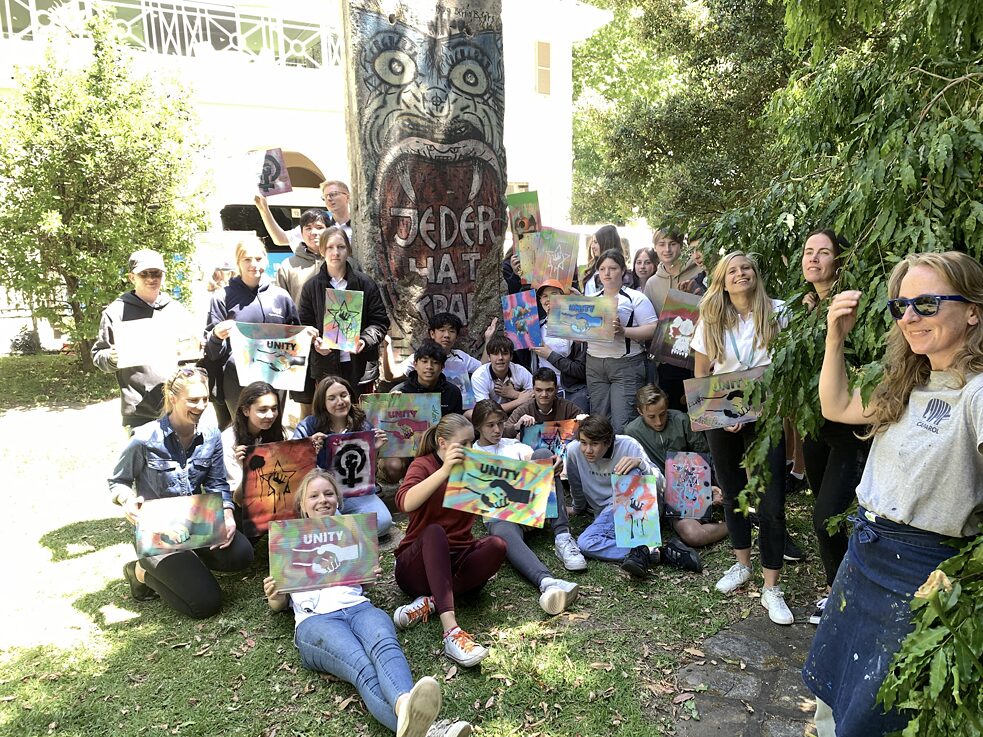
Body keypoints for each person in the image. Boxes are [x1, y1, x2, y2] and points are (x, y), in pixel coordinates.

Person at [803, 251, 983, 736]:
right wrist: (834, 339)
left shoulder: (977, 394)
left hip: (922, 579)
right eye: (900, 306)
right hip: (864, 557)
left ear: (972, 309)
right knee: (836, 694)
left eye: (925, 303)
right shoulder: (911, 380)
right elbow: (837, 405)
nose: (909, 317)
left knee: (877, 714)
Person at [263, 469, 471, 737]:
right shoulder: (289, 540)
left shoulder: (352, 532)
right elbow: (278, 606)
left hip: (359, 608)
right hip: (316, 621)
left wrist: (367, 575)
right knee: (362, 665)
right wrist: (275, 595)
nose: (323, 500)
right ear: (302, 504)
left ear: (338, 499)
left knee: (384, 644)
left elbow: (360, 582)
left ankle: (404, 704)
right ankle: (430, 731)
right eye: (314, 496)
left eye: (328, 493)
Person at [690, 251, 793, 624]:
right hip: (725, 415)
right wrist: (721, 414)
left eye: (746, 267)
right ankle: (741, 564)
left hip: (766, 415)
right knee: (732, 491)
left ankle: (771, 587)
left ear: (756, 274)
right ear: (722, 279)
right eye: (732, 270)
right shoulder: (712, 317)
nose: (740, 273)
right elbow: (702, 373)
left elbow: (788, 367)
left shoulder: (780, 312)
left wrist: (766, 407)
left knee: (771, 499)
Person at [111, 367, 254, 618]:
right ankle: (141, 572)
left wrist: (228, 515)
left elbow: (217, 483)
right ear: (173, 398)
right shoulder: (144, 438)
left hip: (197, 523)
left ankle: (188, 568)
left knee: (242, 554)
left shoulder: (210, 435)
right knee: (205, 605)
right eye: (192, 400)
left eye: (205, 399)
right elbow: (118, 481)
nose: (200, 406)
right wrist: (127, 501)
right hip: (158, 531)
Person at [392, 414, 507, 668]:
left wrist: (543, 478)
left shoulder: (473, 469)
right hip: (417, 565)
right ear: (442, 443)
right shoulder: (423, 465)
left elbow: (510, 495)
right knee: (434, 532)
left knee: (497, 545)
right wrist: (445, 471)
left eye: (471, 444)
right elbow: (405, 502)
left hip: (457, 561)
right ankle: (451, 632)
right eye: (462, 444)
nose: (469, 450)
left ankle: (432, 602)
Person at [797, 229, 871, 625]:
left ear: (839, 260)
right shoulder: (803, 308)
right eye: (809, 252)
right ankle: (838, 587)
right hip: (815, 427)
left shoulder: (854, 306)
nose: (814, 259)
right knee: (825, 512)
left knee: (827, 514)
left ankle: (842, 595)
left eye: (823, 252)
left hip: (851, 430)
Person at [471, 400, 585, 614]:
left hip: (532, 506)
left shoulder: (511, 445)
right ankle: (548, 583)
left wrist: (552, 461)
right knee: (500, 532)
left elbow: (531, 456)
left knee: (542, 455)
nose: (497, 430)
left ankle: (562, 535)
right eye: (490, 425)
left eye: (500, 423)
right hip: (502, 518)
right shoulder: (473, 455)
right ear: (478, 427)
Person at [567, 415, 702, 578]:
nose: (588, 450)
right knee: (586, 543)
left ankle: (642, 547)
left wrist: (641, 464)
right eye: (584, 443)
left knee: (631, 469)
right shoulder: (574, 451)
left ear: (608, 441)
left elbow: (661, 484)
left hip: (640, 508)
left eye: (594, 444)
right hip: (607, 512)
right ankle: (654, 552)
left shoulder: (628, 444)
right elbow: (576, 483)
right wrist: (577, 507)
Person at [92, 249, 197, 433]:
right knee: (144, 461)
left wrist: (194, 350)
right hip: (139, 410)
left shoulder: (176, 310)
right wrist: (111, 358)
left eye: (156, 273)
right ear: (132, 277)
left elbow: (190, 352)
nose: (151, 279)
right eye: (144, 274)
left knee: (180, 461)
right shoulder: (115, 313)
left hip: (176, 405)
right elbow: (99, 355)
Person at [203, 236, 303, 426]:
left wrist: (308, 337)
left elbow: (296, 346)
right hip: (237, 383)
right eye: (247, 259)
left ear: (266, 259)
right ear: (238, 263)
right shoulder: (222, 298)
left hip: (276, 380)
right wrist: (216, 336)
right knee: (242, 437)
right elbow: (212, 352)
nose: (254, 265)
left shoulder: (281, 297)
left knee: (273, 436)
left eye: (258, 258)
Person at [624, 385, 729, 549]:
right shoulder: (631, 432)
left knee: (694, 535)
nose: (658, 422)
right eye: (651, 416)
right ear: (639, 411)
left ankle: (738, 525)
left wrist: (710, 488)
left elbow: (704, 455)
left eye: (663, 414)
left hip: (688, 490)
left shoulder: (681, 420)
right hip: (655, 494)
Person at [293, 375, 394, 537]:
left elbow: (366, 476)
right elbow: (293, 465)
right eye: (331, 398)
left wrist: (373, 450)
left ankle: (337, 531)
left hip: (355, 492)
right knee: (326, 517)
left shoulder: (362, 424)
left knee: (383, 522)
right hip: (322, 495)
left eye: (343, 395)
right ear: (322, 402)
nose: (340, 402)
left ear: (350, 396)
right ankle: (341, 528)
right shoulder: (308, 426)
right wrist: (308, 451)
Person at [299, 227, 389, 399]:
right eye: (330, 247)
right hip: (326, 368)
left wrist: (364, 340)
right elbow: (304, 325)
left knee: (361, 417)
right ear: (322, 250)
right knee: (330, 418)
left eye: (341, 247)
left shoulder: (365, 283)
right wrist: (315, 342)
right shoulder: (311, 287)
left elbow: (380, 322)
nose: (335, 252)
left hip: (360, 368)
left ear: (348, 249)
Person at [585, 249, 659, 433]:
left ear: (623, 270)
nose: (607, 273)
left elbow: (653, 329)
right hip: (594, 363)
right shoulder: (591, 300)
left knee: (623, 422)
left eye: (612, 268)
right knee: (599, 419)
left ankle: (625, 460)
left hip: (626, 364)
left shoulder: (635, 298)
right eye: (602, 269)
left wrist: (623, 331)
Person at [643, 230, 703, 410]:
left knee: (702, 409)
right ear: (655, 248)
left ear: (681, 246)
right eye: (662, 244)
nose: (667, 249)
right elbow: (651, 322)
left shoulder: (699, 271)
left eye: (672, 244)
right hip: (670, 359)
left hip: (701, 355)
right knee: (676, 410)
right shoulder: (652, 283)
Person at [221, 381, 284, 509]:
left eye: (274, 408)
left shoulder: (281, 433)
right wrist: (246, 468)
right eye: (263, 410)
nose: (270, 415)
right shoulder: (228, 440)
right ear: (246, 410)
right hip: (244, 509)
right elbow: (238, 499)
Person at [530, 281, 589, 412]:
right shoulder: (534, 328)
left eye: (554, 294)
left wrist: (550, 355)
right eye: (544, 296)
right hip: (543, 391)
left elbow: (580, 370)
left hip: (572, 390)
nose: (549, 299)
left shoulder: (577, 328)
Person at [254, 180, 353, 250]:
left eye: (333, 194)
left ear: (347, 197)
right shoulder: (318, 224)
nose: (329, 199)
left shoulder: (361, 225)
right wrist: (264, 209)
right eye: (325, 197)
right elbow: (280, 239)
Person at [504, 367, 584, 438]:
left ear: (556, 389)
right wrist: (516, 426)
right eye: (539, 390)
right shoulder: (524, 409)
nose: (544, 395)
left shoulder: (567, 407)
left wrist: (581, 421)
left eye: (549, 390)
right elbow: (504, 432)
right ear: (533, 390)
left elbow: (588, 425)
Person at [392, 340, 464, 416]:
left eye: (435, 362)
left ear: (442, 367)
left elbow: (457, 424)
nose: (429, 367)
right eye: (424, 361)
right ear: (415, 365)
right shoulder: (400, 392)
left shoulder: (452, 392)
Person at [274, 209, 328, 307]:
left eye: (319, 227)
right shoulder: (287, 266)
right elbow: (279, 305)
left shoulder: (341, 262)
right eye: (308, 228)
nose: (314, 232)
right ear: (301, 233)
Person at [470, 334, 534, 415]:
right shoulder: (479, 376)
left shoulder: (519, 370)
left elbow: (537, 392)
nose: (500, 358)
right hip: (492, 418)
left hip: (518, 414)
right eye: (496, 354)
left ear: (511, 357)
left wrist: (514, 394)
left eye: (505, 353)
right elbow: (485, 411)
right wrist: (518, 400)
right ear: (489, 357)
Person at [582, 225, 622, 296]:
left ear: (606, 243)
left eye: (595, 242)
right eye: (592, 242)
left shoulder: (617, 274)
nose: (592, 246)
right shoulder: (594, 269)